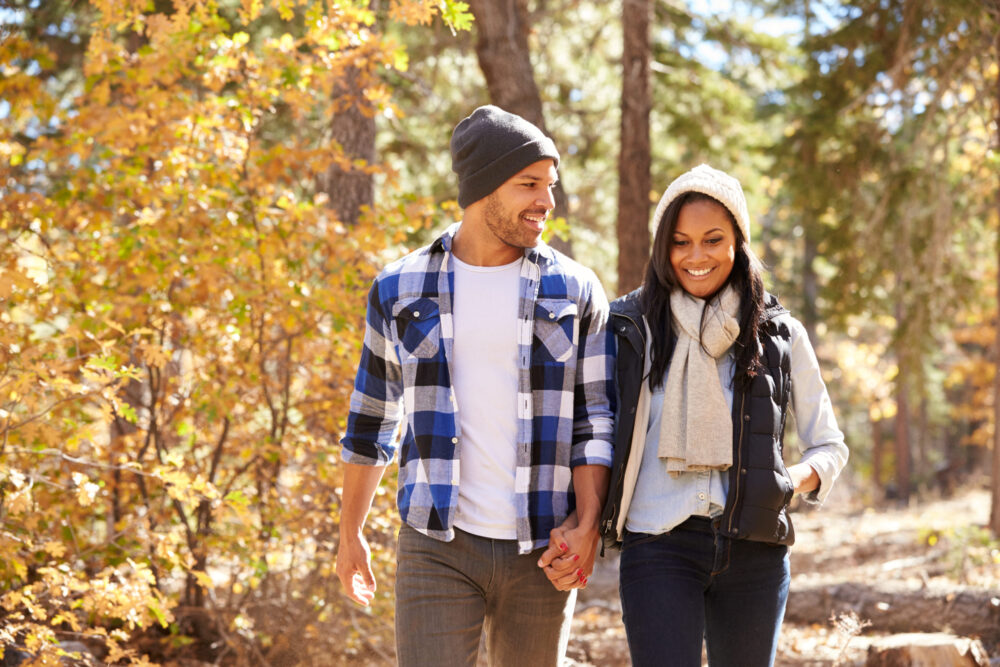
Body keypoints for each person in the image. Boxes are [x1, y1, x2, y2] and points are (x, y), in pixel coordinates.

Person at [335, 105, 614, 667]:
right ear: (482, 188)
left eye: (551, 185)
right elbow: (372, 419)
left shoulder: (575, 289)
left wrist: (587, 526)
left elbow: (595, 420)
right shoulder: (399, 285)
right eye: (528, 184)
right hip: (435, 543)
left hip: (543, 546)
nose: (547, 201)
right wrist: (350, 535)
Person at [598, 164, 849, 666]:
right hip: (658, 546)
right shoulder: (630, 328)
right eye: (680, 242)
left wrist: (786, 480)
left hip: (754, 550)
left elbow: (829, 445)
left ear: (739, 240)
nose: (696, 256)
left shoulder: (779, 333)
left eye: (712, 239)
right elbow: (594, 433)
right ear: (662, 248)